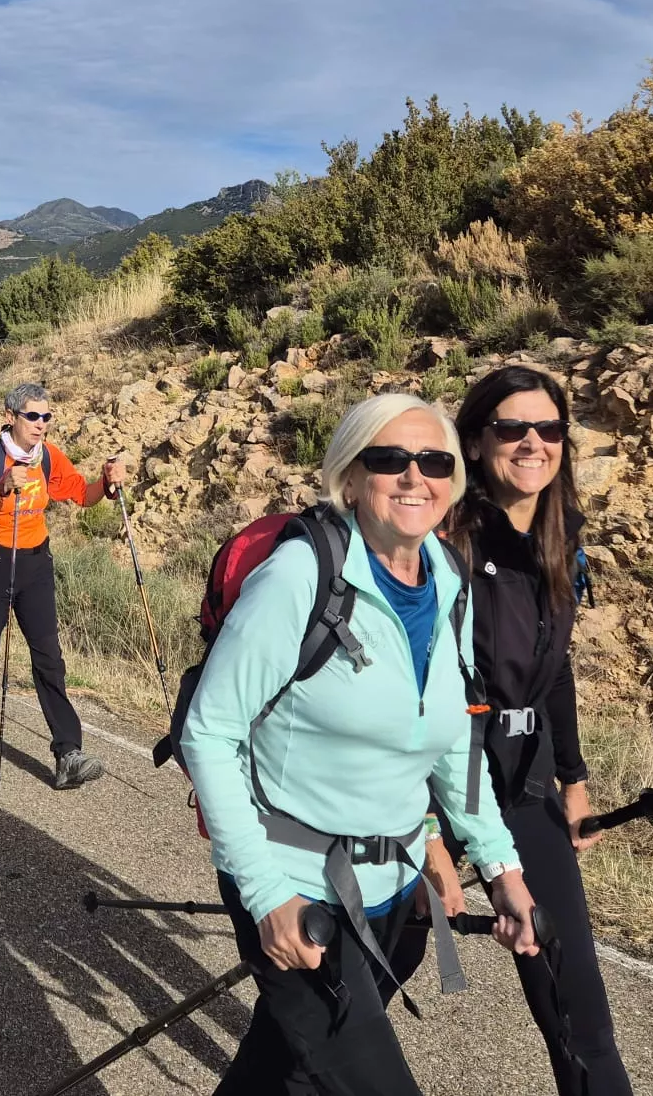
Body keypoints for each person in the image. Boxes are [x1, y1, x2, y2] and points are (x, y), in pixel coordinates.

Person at [181, 392, 540, 1095]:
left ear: (453, 481)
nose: (415, 477)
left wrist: (499, 865)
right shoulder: (299, 577)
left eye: (433, 460)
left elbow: (451, 740)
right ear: (350, 477)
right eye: (389, 459)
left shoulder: (448, 581)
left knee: (281, 1066)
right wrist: (264, 894)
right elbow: (210, 731)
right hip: (295, 884)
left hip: (393, 885)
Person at [436, 366, 632, 1096]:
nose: (532, 443)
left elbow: (554, 668)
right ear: (478, 441)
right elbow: (418, 696)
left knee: (580, 1011)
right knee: (350, 984)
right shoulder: (448, 542)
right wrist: (428, 833)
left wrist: (573, 781)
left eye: (547, 429)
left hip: (525, 782)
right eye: (511, 428)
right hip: (438, 782)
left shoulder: (558, 537)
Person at [0, 382, 124, 790]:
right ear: (11, 417)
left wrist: (107, 483)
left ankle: (68, 753)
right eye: (33, 416)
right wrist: (1, 487)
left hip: (35, 563)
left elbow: (83, 495)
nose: (42, 424)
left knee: (49, 657)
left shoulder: (48, 457)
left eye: (47, 416)